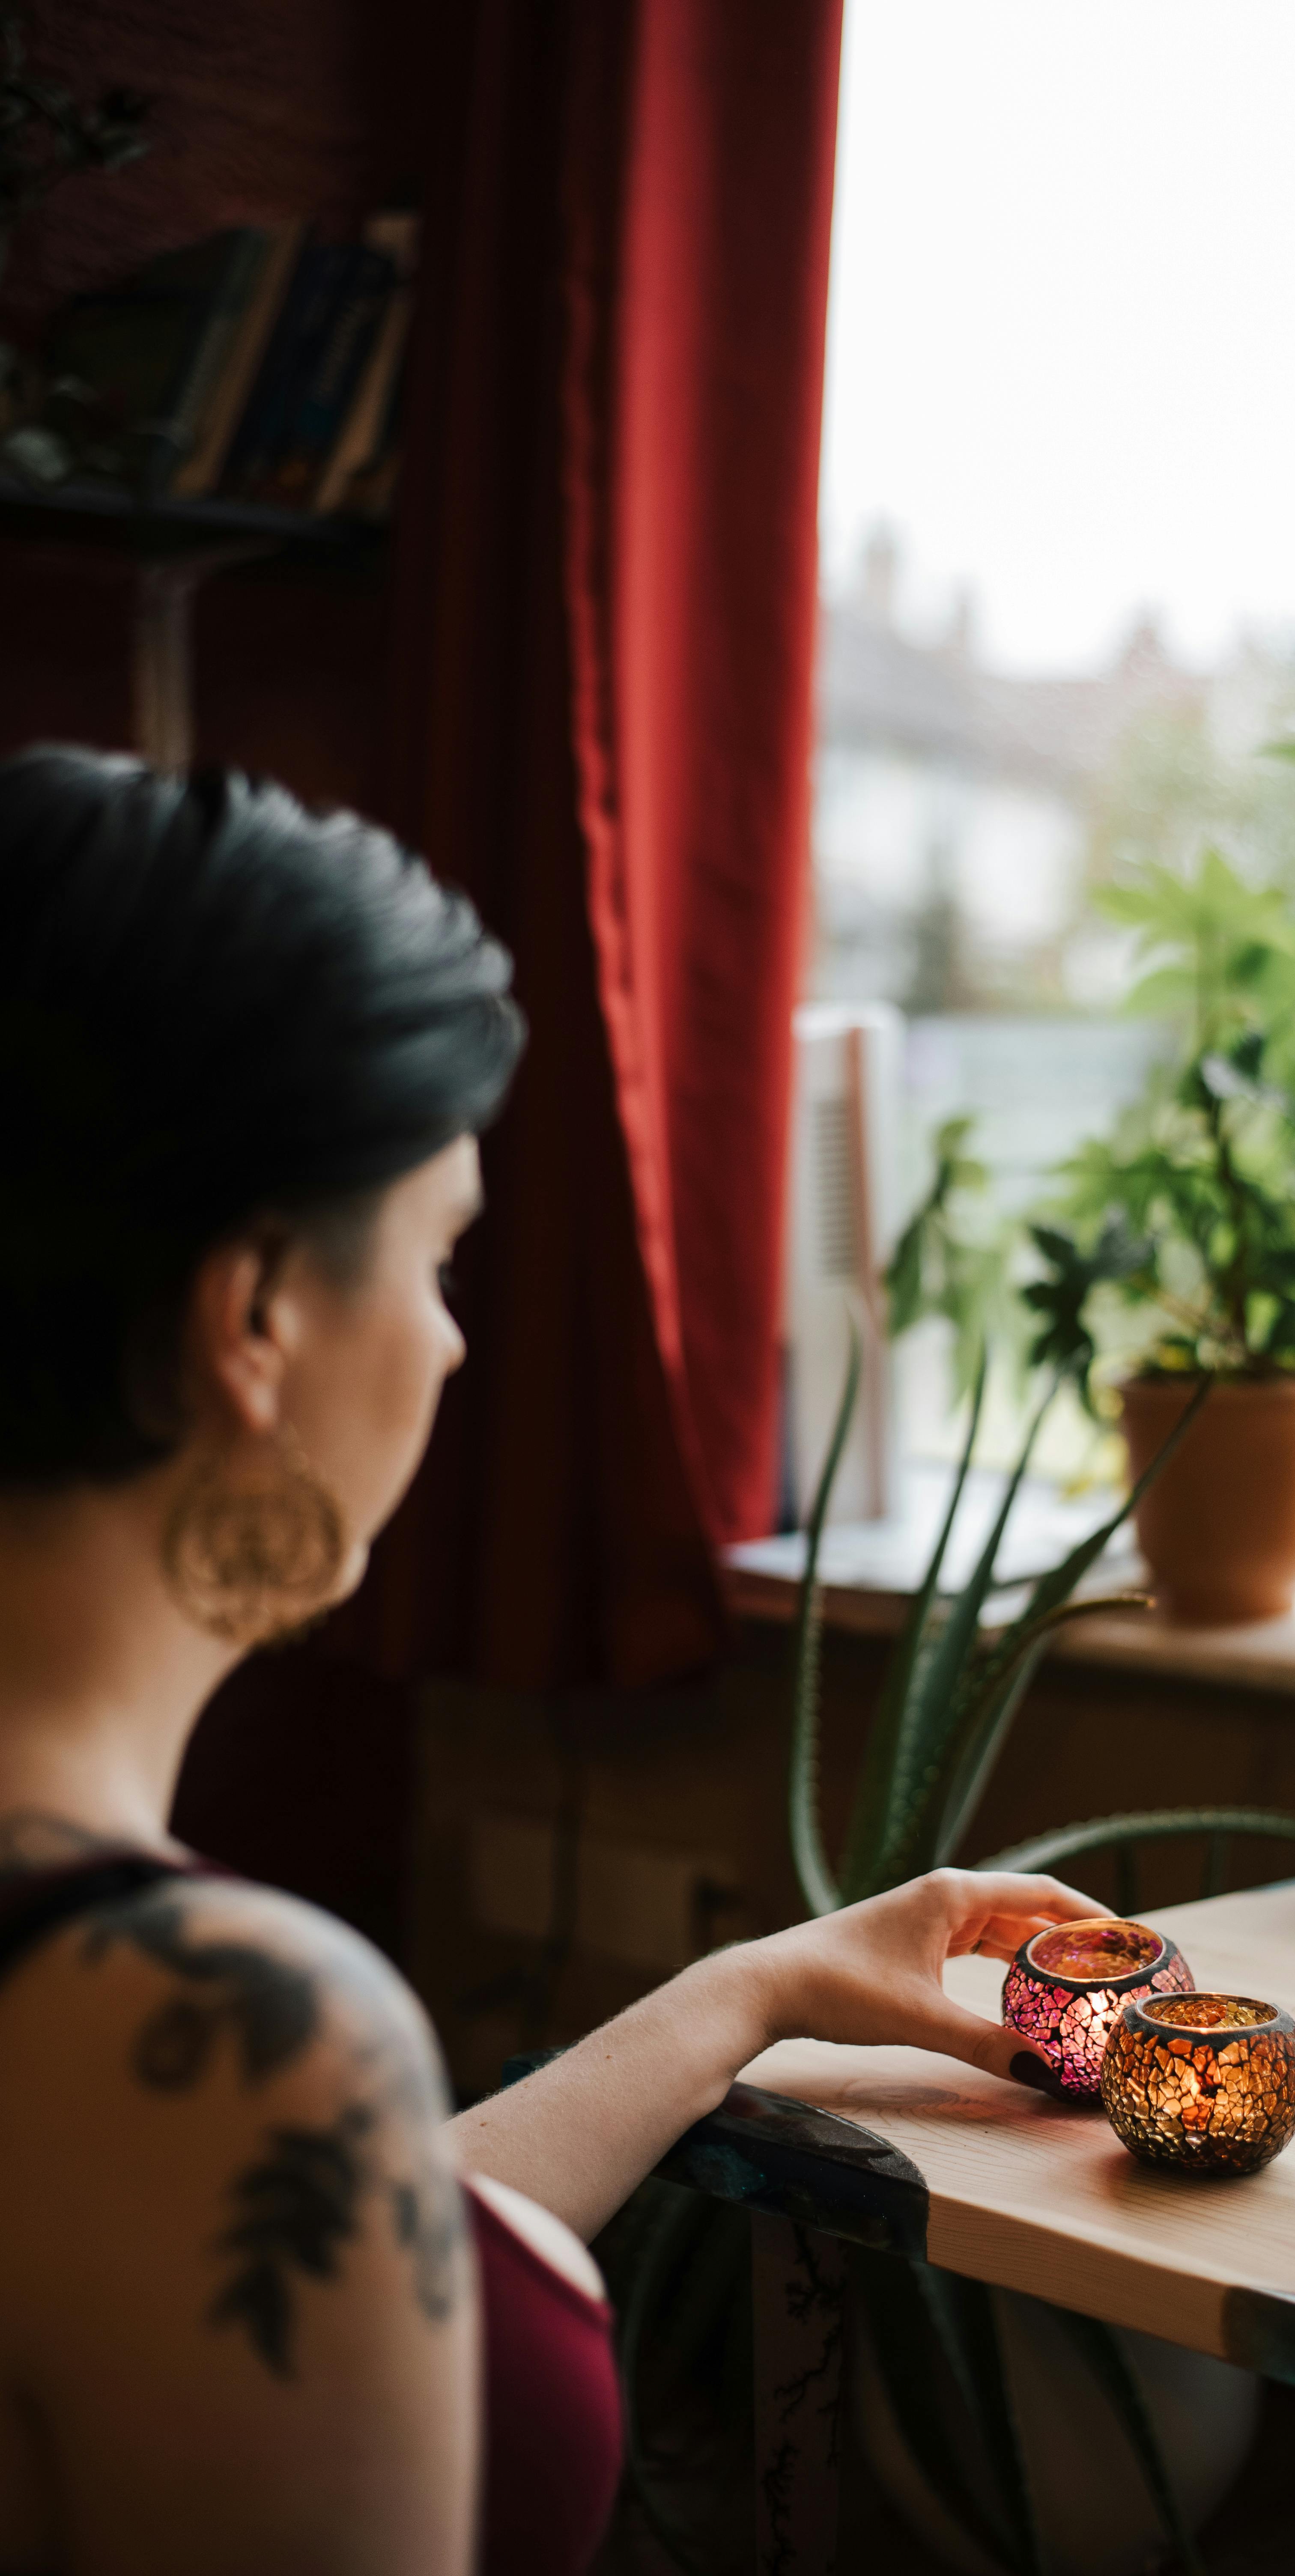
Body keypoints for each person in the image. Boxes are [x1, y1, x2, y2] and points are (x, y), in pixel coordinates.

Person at [0, 748, 1097, 2576]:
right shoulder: (217, 2028)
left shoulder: (156, 2060)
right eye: (436, 1256)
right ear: (254, 1316)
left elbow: (329, 2247)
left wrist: (742, 1994)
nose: (443, 1349)